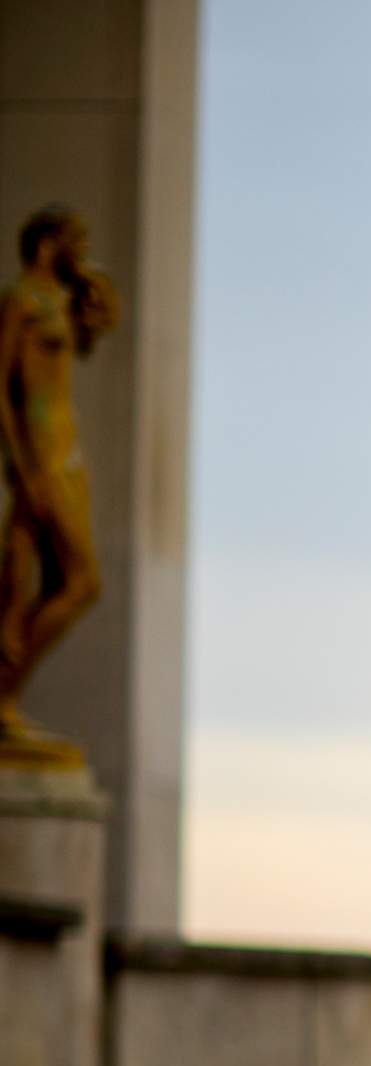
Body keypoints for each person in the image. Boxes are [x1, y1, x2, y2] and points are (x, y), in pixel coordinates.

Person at [0, 206, 121, 766]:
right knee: (82, 581)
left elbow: (87, 343)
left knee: (66, 583)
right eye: (77, 241)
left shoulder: (55, 303)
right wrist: (22, 467)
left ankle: (6, 696)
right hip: (42, 455)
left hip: (67, 456)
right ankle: (3, 692)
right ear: (48, 244)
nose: (83, 251)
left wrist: (96, 299)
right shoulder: (21, 302)